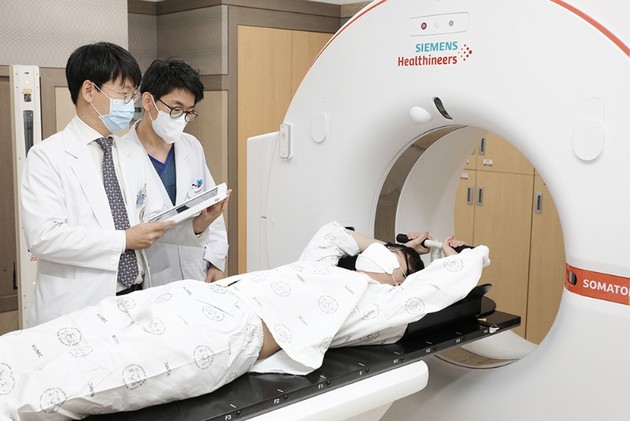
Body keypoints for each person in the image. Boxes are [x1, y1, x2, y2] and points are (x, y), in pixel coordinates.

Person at [0, 221, 489, 419]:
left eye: (398, 262)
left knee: (86, 378)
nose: (385, 256)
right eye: (386, 250)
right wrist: (394, 244)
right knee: (72, 332)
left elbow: (446, 282)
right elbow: (331, 232)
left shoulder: (376, 306)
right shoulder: (323, 266)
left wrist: (449, 255)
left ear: (404, 280)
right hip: (191, 295)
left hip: (227, 333)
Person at [19, 42, 225, 328]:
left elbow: (153, 222)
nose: (131, 104)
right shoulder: (47, 156)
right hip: (78, 307)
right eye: (124, 94)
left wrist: (197, 226)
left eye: (132, 95)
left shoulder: (129, 153)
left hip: (135, 298)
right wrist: (123, 240)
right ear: (89, 91)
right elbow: (44, 238)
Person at [121, 58, 229, 284]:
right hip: (153, 275)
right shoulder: (121, 155)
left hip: (197, 270)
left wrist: (216, 260)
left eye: (189, 112)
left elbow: (211, 208)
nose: (182, 119)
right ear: (148, 101)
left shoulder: (191, 146)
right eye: (176, 109)